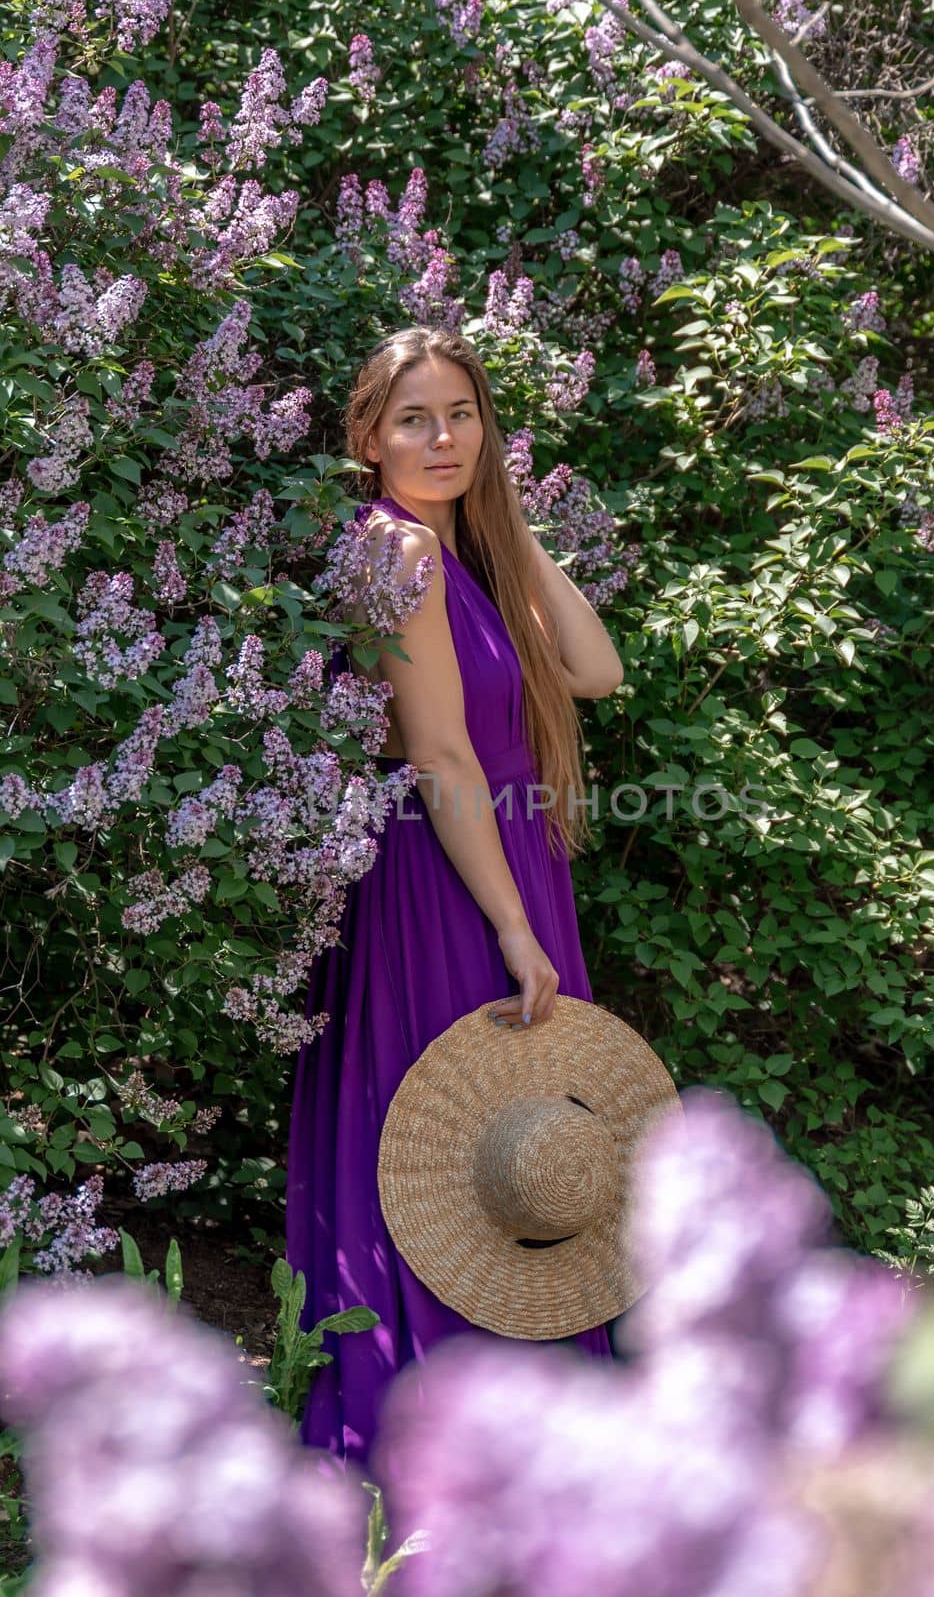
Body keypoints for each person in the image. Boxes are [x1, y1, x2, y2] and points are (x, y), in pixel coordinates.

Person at [285, 325, 626, 1475]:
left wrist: (507, 528)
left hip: (494, 861)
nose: (444, 438)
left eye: (464, 416)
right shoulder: (399, 554)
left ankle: (509, 1433)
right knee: (454, 1147)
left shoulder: (448, 550)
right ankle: (453, 1438)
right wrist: (513, 926)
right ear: (367, 436)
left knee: (505, 1141)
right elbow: (436, 753)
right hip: (448, 883)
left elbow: (592, 669)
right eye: (415, 419)